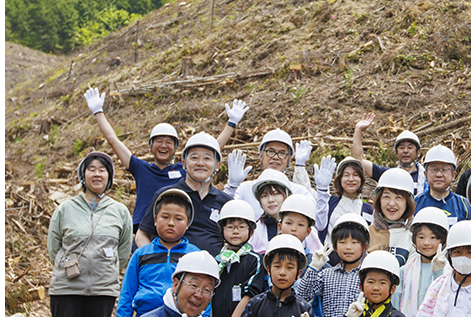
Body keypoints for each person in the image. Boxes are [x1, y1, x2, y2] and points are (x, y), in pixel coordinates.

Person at [83, 87, 246, 233]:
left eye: (169, 142)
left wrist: (231, 124)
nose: (163, 145)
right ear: (151, 146)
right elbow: (114, 141)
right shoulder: (141, 168)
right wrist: (98, 112)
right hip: (146, 228)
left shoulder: (182, 170)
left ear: (176, 149)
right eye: (158, 141)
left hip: (176, 227)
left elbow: (208, 151)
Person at [48, 151, 133, 317]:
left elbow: (124, 248)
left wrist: (108, 271)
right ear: (83, 175)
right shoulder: (66, 208)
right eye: (91, 169)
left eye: (102, 169)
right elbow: (54, 247)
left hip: (102, 289)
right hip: (66, 287)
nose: (97, 173)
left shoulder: (119, 211)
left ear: (109, 176)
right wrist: (69, 267)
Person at [116, 189, 204, 317]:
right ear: (155, 219)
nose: (171, 223)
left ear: (188, 223)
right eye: (165, 217)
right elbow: (127, 294)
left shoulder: (195, 255)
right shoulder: (141, 254)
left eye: (178, 218)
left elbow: (204, 294)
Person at [136, 133, 233, 255]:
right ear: (183, 163)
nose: (200, 163)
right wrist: (155, 260)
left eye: (207, 158)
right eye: (194, 158)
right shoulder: (167, 195)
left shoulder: (225, 202)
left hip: (212, 270)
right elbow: (142, 234)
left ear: (217, 165)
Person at [296, 214, 371, 317]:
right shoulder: (326, 274)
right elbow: (302, 296)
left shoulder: (368, 276)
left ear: (364, 246)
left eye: (354, 242)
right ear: (335, 247)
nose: (348, 247)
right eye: (342, 242)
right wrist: (313, 268)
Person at [224, 129, 315, 220]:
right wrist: (232, 186)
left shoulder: (299, 191)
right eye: (270, 152)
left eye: (282, 153)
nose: (275, 157)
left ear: (289, 159)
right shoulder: (245, 189)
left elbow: (318, 223)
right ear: (261, 155)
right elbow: (226, 215)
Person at [212, 200, 267, 317]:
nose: (235, 231)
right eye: (230, 227)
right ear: (222, 230)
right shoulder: (216, 261)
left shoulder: (255, 260)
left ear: (251, 231)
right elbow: (207, 295)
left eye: (241, 227)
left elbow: (248, 296)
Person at [391, 207, 449, 317]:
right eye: (421, 237)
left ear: (442, 240)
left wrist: (438, 272)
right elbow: (395, 303)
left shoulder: (450, 271)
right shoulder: (404, 271)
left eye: (433, 237)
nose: (426, 243)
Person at [353, 114, 426, 196]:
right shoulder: (387, 174)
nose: (405, 151)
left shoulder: (427, 177)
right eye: (401, 148)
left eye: (410, 147)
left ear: (418, 152)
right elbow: (359, 161)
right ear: (396, 153)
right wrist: (358, 130)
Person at [312, 156, 374, 245]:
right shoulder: (329, 202)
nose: (351, 179)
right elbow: (319, 225)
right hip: (328, 256)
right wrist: (322, 190)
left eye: (355, 175)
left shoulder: (368, 209)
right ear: (340, 179)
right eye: (346, 175)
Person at [368, 168, 417, 266]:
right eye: (386, 197)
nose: (391, 203)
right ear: (379, 200)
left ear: (407, 202)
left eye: (398, 198)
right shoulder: (367, 234)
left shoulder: (414, 235)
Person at [414, 145, 471, 225]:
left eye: (444, 169)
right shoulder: (415, 203)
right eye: (434, 169)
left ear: (453, 175)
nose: (439, 174)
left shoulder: (465, 205)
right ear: (425, 174)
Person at [247, 169, 292, 253]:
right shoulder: (256, 231)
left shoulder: (301, 223)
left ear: (288, 195)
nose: (270, 200)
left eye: (276, 193)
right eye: (264, 196)